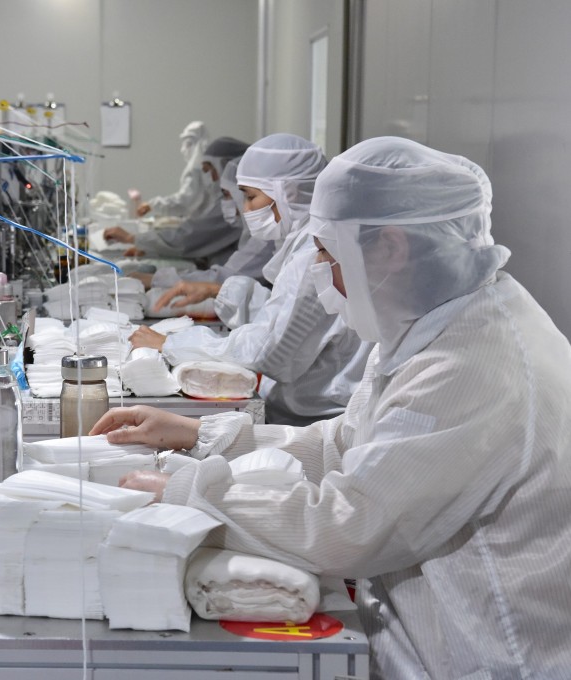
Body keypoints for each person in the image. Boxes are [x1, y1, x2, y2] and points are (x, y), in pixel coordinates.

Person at [93, 137, 571, 678]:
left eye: (326, 253)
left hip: (494, 657)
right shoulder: (438, 324)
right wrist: (202, 437)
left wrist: (191, 493)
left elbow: (352, 525)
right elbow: (347, 441)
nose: (320, 272)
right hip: (433, 637)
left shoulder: (474, 360)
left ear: (390, 246)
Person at [131, 133, 371, 425]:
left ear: (288, 192)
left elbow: (271, 352)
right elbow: (285, 315)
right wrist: (220, 292)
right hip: (311, 408)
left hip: (314, 418)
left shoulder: (315, 252)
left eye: (250, 195)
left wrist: (173, 344)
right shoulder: (305, 242)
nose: (246, 209)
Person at [104, 137, 273, 271]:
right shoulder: (233, 206)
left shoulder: (259, 229)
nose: (209, 178)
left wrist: (134, 239)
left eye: (210, 170)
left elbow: (191, 236)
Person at [133, 121, 211, 220]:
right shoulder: (207, 170)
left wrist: (152, 205)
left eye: (187, 144)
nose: (182, 150)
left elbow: (184, 202)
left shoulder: (196, 171)